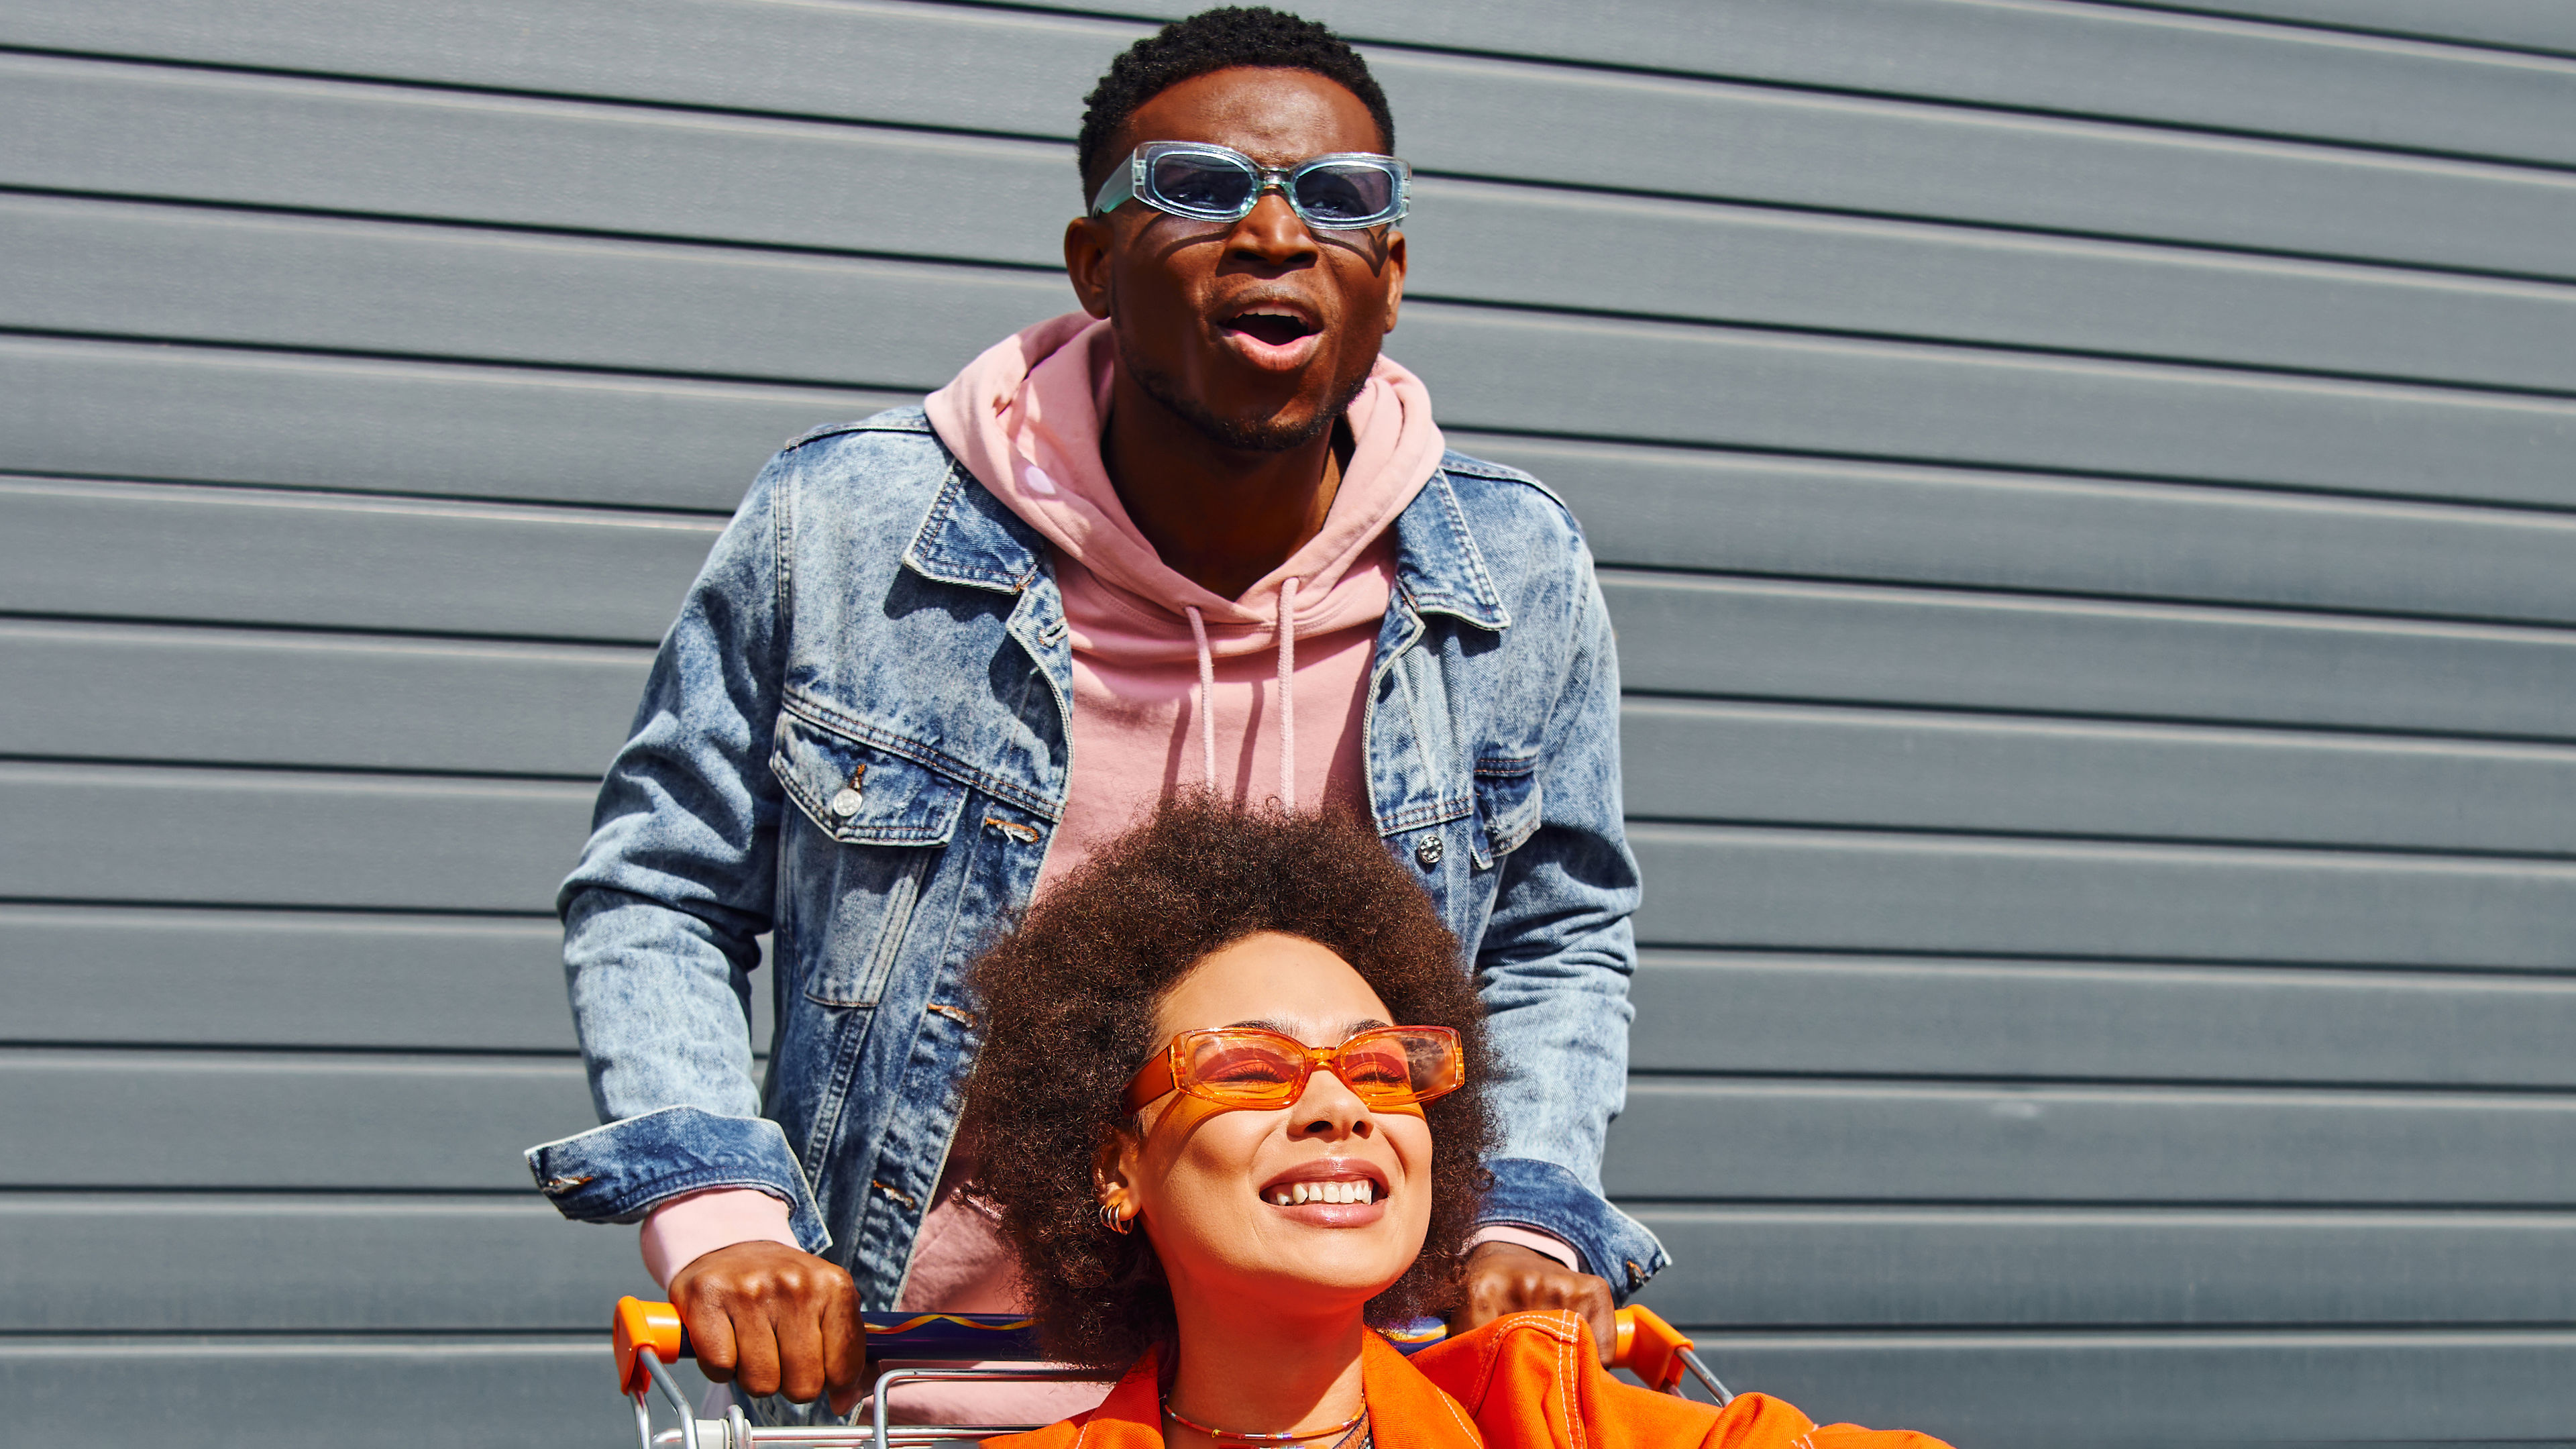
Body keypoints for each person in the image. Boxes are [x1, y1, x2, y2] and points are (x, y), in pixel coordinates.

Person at [525, 5, 1656, 1421]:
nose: (1274, 233)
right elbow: (661, 889)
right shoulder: (850, 529)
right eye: (1198, 186)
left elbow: (1557, 937)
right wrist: (724, 1217)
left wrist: (1531, 1218)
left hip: (1342, 1394)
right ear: (1094, 263)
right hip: (924, 1388)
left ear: (1391, 276)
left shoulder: (1509, 570)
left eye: (1339, 197)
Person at [959, 798, 1947, 1448]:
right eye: (1252, 1066)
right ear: (1115, 1167)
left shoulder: (1547, 1417)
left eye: (1382, 1068)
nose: (1341, 1106)